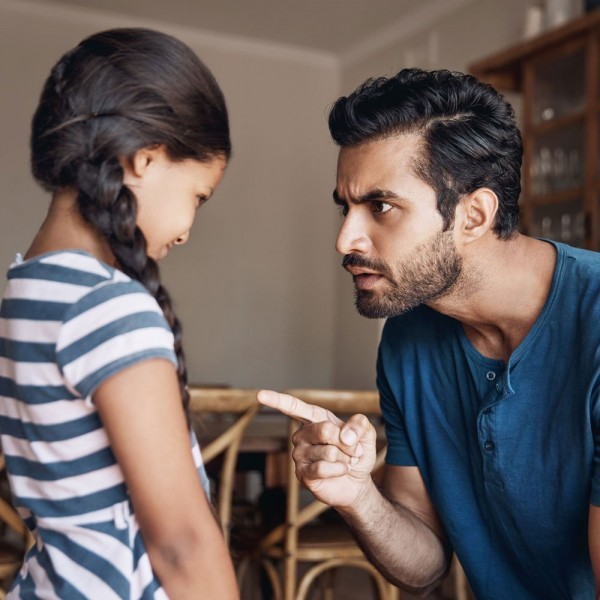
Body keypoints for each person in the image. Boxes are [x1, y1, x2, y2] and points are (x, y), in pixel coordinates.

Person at [258, 68, 600, 599]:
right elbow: (423, 567)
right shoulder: (407, 338)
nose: (345, 238)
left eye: (381, 206)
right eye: (345, 207)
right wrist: (358, 497)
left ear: (473, 214)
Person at [0, 28, 239, 599]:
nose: (187, 230)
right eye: (198, 197)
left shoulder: (22, 292)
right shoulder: (107, 307)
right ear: (145, 159)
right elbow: (181, 543)